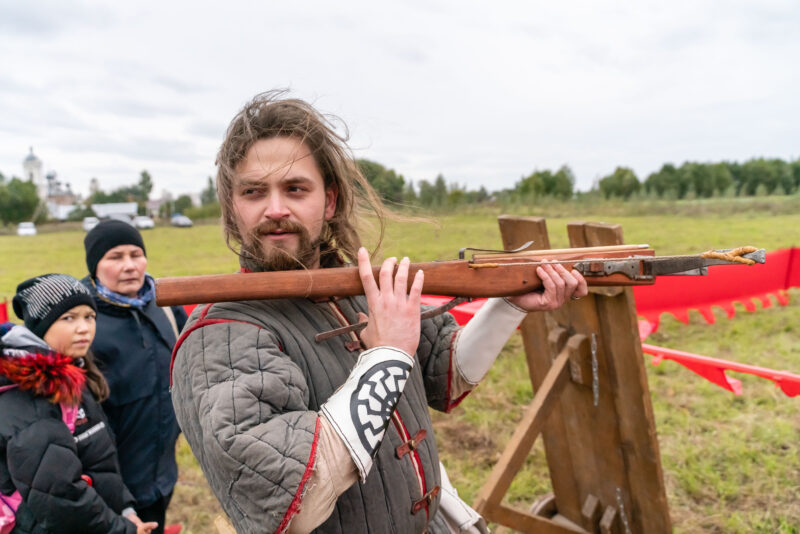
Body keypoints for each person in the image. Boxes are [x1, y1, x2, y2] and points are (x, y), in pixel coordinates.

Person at [170, 91, 588, 534]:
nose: (276, 209)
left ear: (328, 202)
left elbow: (445, 372)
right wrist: (386, 352)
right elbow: (295, 500)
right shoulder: (220, 335)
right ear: (234, 209)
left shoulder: (358, 286)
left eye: (295, 188)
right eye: (254, 192)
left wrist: (507, 305)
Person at [0, 274, 158, 534]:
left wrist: (126, 511)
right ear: (41, 325)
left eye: (89, 316)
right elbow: (59, 496)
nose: (84, 327)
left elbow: (98, 457)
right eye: (68, 318)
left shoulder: (72, 371)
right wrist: (121, 528)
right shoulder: (29, 395)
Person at [81, 220, 188, 534]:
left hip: (160, 475)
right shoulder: (83, 322)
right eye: (115, 257)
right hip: (107, 488)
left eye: (136, 254)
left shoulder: (166, 305)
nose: (129, 266)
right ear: (95, 267)